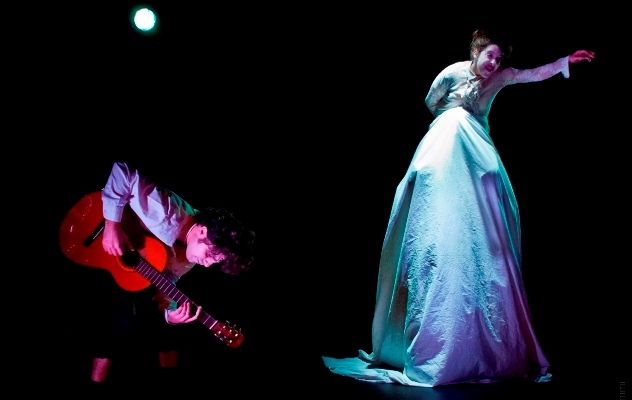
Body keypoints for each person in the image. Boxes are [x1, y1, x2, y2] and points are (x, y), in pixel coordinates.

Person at [322, 29, 595, 387]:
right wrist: (451, 115)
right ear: (477, 51)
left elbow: (530, 74)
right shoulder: (452, 72)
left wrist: (563, 62)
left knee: (488, 171)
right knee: (446, 136)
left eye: (499, 59)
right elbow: (431, 100)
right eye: (490, 56)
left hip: (476, 142)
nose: (494, 63)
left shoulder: (500, 77)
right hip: (448, 136)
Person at [82, 161, 255, 387]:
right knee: (121, 318)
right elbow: (122, 170)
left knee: (164, 329)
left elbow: (166, 281)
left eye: (215, 262)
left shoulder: (189, 258)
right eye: (210, 255)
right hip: (92, 235)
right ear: (203, 231)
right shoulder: (169, 212)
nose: (206, 265)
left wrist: (170, 314)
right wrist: (112, 226)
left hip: (117, 271)